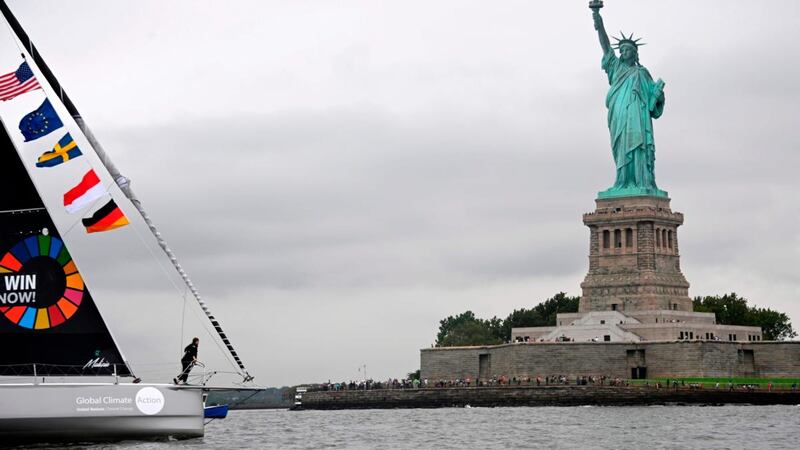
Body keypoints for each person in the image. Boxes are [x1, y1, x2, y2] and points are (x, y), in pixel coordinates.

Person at [591, 6, 666, 196]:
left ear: (634, 53)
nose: (623, 52)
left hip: (638, 118)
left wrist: (658, 95)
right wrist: (598, 19)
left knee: (639, 145)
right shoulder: (615, 68)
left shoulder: (642, 73)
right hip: (619, 114)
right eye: (622, 50)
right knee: (621, 146)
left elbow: (653, 105)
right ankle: (622, 181)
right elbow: (606, 46)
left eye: (627, 50)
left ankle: (643, 181)